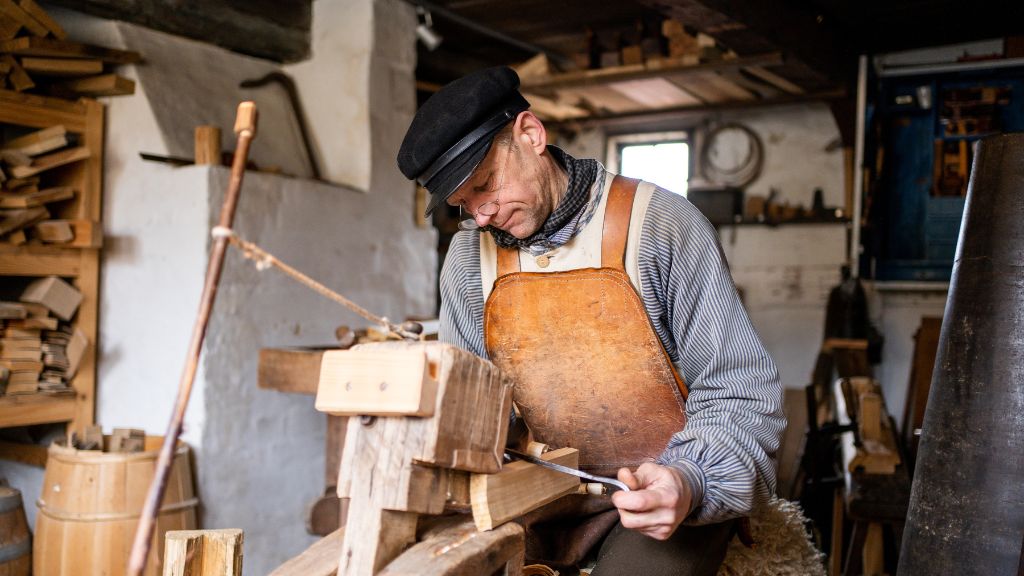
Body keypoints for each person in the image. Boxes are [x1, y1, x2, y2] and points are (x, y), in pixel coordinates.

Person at [398, 66, 785, 576]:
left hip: (653, 501)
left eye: (486, 185)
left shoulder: (662, 226)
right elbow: (472, 410)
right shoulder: (470, 258)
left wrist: (689, 481)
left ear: (530, 135)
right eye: (463, 205)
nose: (482, 216)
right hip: (535, 499)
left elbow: (741, 395)